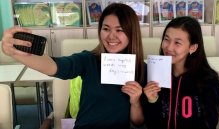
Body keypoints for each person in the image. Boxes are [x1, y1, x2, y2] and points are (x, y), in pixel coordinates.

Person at [2, 3, 146, 129]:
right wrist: (15, 52)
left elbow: (138, 122)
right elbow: (55, 66)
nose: (111, 36)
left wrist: (135, 102)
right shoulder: (88, 60)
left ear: (132, 32)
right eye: (106, 29)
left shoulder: (142, 69)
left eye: (119, 30)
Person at [141, 16, 219, 129]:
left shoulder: (208, 80)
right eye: (166, 39)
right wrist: (152, 100)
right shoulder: (153, 74)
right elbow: (150, 123)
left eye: (177, 43)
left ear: (192, 48)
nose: (169, 47)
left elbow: (209, 123)